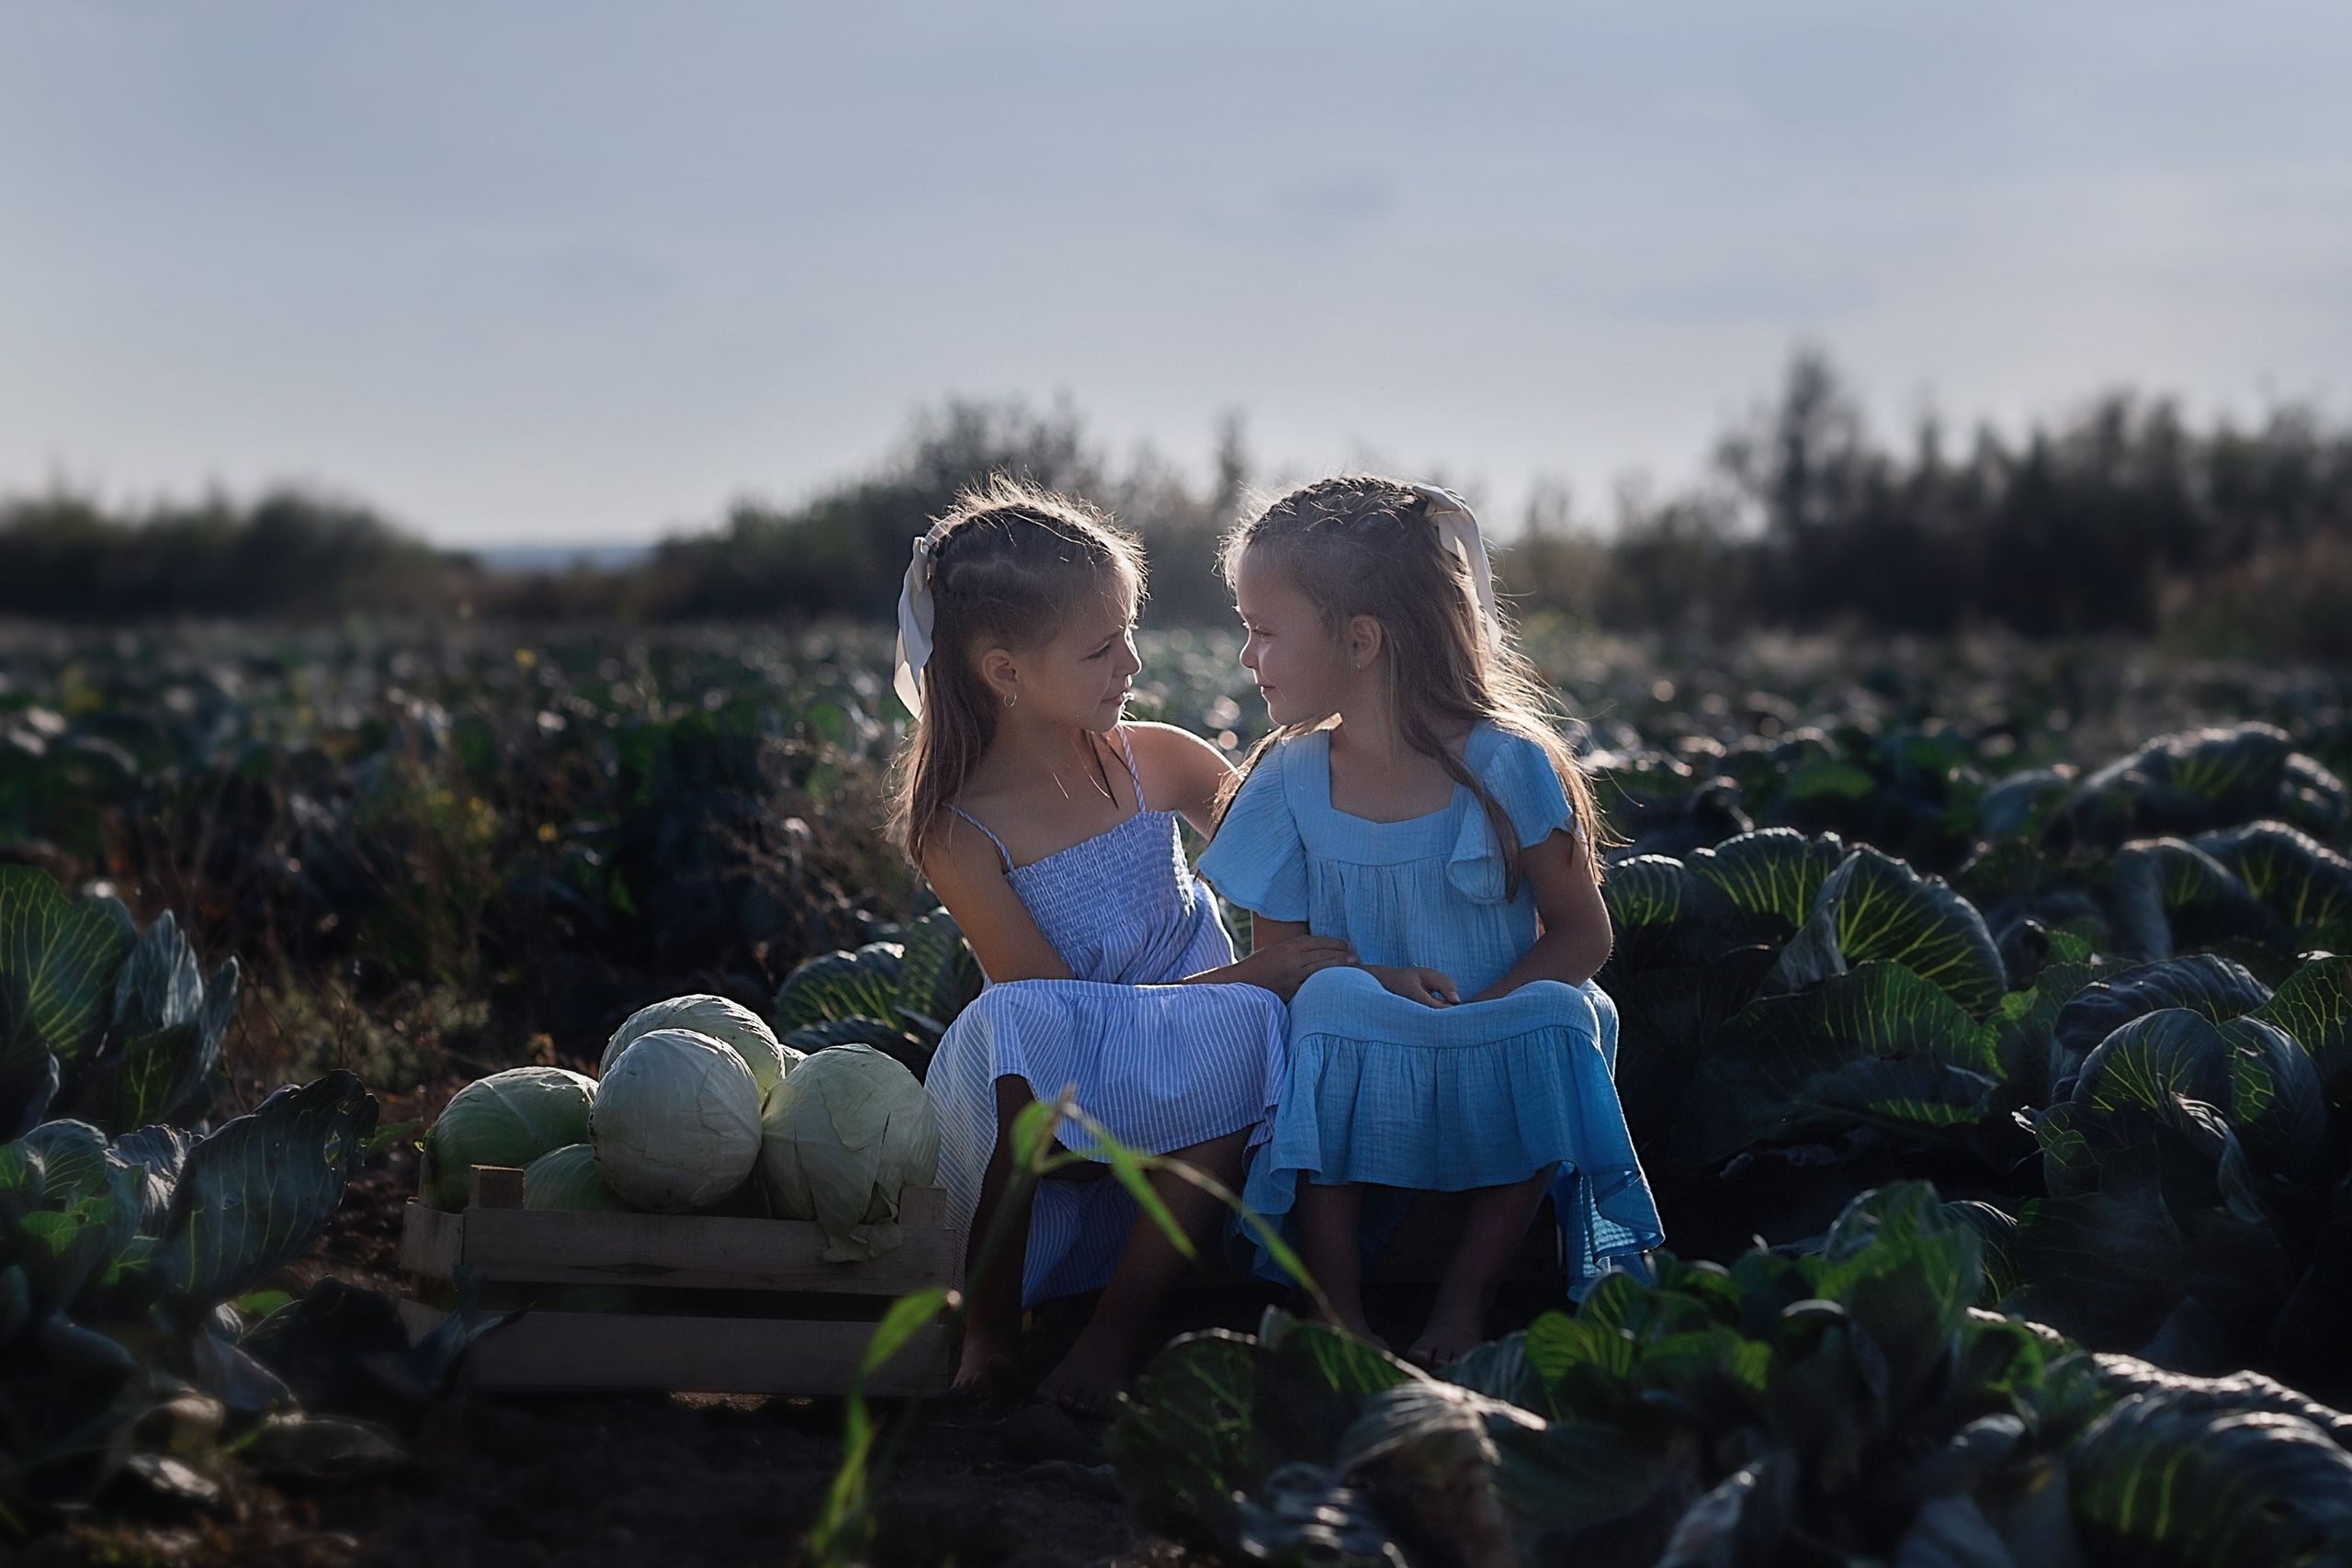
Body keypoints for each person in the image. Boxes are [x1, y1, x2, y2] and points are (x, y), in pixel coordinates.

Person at [898, 478, 1354, 1414]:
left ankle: (1111, 1340)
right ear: (1004, 672)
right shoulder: (959, 830)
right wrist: (1252, 974)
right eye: (1102, 647)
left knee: (1245, 1030)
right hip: (1065, 1069)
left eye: (1129, 632)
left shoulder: (1158, 759)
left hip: (1193, 1055)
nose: (1132, 663)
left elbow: (1283, 843)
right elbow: (1053, 1010)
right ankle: (985, 1331)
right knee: (1014, 1020)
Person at [1196, 476, 1663, 1368]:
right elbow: (1287, 964)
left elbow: (1581, 936)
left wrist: (1479, 1013)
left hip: (1488, 1018)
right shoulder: (1288, 781)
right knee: (1328, 1002)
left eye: (1262, 633)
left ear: (1361, 641)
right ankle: (1337, 1306)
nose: (1248, 660)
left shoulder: (1506, 764)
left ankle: (1463, 1302)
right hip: (1359, 1029)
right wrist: (1377, 985)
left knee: (1564, 1015)